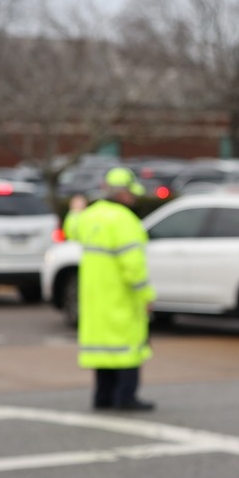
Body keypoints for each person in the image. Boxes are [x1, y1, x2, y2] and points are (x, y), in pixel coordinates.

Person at [73, 167, 156, 411]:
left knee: (104, 352)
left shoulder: (89, 216)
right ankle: (126, 398)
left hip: (94, 300)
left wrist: (75, 210)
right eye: (131, 193)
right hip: (121, 298)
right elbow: (134, 267)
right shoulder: (125, 221)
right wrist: (146, 295)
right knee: (128, 348)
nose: (134, 198)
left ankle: (103, 396)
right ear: (122, 194)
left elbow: (72, 229)